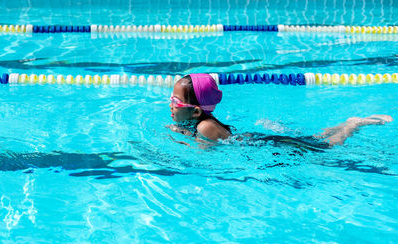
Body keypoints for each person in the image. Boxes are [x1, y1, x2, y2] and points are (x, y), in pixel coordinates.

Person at [168, 73, 393, 148]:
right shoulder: (205, 123)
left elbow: (203, 156)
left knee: (327, 147)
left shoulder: (206, 126)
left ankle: (352, 125)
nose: (170, 104)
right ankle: (345, 124)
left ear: (196, 111)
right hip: (262, 141)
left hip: (269, 146)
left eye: (175, 101)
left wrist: (180, 138)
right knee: (313, 139)